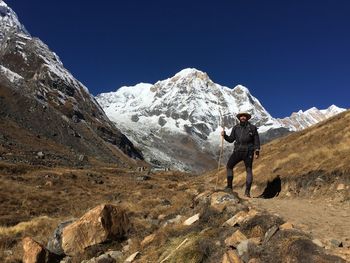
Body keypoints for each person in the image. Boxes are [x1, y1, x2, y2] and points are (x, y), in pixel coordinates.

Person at [221, 112, 260, 197]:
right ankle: (229, 187)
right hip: (237, 151)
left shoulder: (253, 128)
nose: (243, 117)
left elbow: (256, 140)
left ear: (247, 118)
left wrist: (257, 151)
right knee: (229, 166)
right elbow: (231, 139)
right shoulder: (235, 128)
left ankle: (247, 192)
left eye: (244, 116)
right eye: (241, 116)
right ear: (239, 118)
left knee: (249, 170)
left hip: (248, 151)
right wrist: (225, 136)